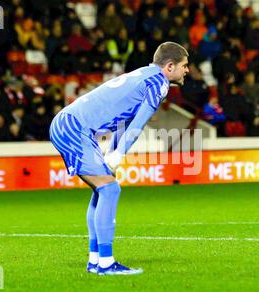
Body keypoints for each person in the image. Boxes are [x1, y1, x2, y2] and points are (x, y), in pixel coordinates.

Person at [49, 42, 189, 276]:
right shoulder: (159, 83)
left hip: (71, 124)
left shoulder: (145, 74)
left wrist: (113, 152)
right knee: (110, 189)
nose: (187, 70)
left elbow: (124, 124)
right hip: (74, 128)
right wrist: (119, 154)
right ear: (170, 66)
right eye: (184, 66)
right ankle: (106, 263)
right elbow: (137, 124)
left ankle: (95, 260)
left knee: (102, 189)